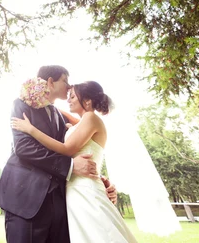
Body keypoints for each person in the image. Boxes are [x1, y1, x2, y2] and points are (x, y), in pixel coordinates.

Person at [0, 66, 117, 243]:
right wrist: (72, 167)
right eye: (65, 81)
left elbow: (82, 147)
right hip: (26, 199)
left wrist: (100, 181)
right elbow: (24, 147)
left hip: (61, 205)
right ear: (50, 82)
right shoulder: (21, 104)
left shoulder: (62, 116)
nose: (69, 86)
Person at [11, 81, 138, 243]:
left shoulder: (91, 118)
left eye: (72, 96)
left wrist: (30, 129)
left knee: (98, 234)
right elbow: (57, 112)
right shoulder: (80, 122)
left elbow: (67, 149)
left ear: (87, 101)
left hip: (85, 189)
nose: (68, 99)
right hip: (72, 191)